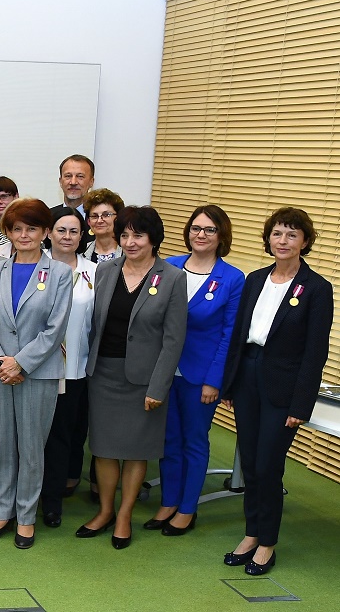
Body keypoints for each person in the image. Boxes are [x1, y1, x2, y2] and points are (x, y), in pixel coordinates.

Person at [220, 207, 332, 575]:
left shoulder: (316, 288)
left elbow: (315, 353)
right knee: (250, 462)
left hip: (283, 387)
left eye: (292, 235)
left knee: (268, 466)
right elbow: (238, 337)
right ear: (268, 239)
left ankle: (267, 543)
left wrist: (302, 404)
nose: (283, 241)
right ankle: (252, 533)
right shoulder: (255, 279)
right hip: (249, 377)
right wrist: (231, 383)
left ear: (305, 241)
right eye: (277, 234)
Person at [79, 206, 186, 549]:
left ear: (153, 238)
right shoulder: (106, 270)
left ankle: (125, 514)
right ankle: (106, 510)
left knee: (137, 451)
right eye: (124, 235)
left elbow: (174, 339)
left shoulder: (171, 277)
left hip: (144, 379)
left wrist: (159, 386)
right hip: (104, 373)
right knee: (106, 449)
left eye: (137, 235)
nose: (129, 241)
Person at [0, 198, 72, 549]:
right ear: (9, 232)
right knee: (2, 447)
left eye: (32, 228)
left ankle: (26, 517)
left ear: (46, 232)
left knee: (31, 448)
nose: (24, 234)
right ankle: (2, 512)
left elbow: (55, 328)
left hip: (39, 373)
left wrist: (21, 363)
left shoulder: (60, 273)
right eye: (17, 228)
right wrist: (1, 361)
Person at [146, 205, 244, 535]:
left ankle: (188, 508)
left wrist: (215, 381)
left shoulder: (232, 278)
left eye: (209, 230)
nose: (200, 235)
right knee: (168, 439)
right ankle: (168, 502)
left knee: (195, 441)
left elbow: (229, 334)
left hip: (200, 376)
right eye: (196, 228)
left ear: (221, 236)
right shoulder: (168, 266)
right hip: (162, 370)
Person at [39, 206, 95, 527]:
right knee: (33, 435)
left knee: (61, 436)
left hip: (74, 369)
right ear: (49, 232)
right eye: (61, 230)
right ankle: (24, 494)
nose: (68, 237)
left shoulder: (95, 272)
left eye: (74, 231)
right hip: (36, 367)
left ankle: (52, 502)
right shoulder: (35, 268)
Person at [84, 188, 125, 263]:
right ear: (88, 221)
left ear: (118, 218)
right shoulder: (81, 252)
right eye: (94, 216)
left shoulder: (128, 252)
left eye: (106, 215)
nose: (99, 221)